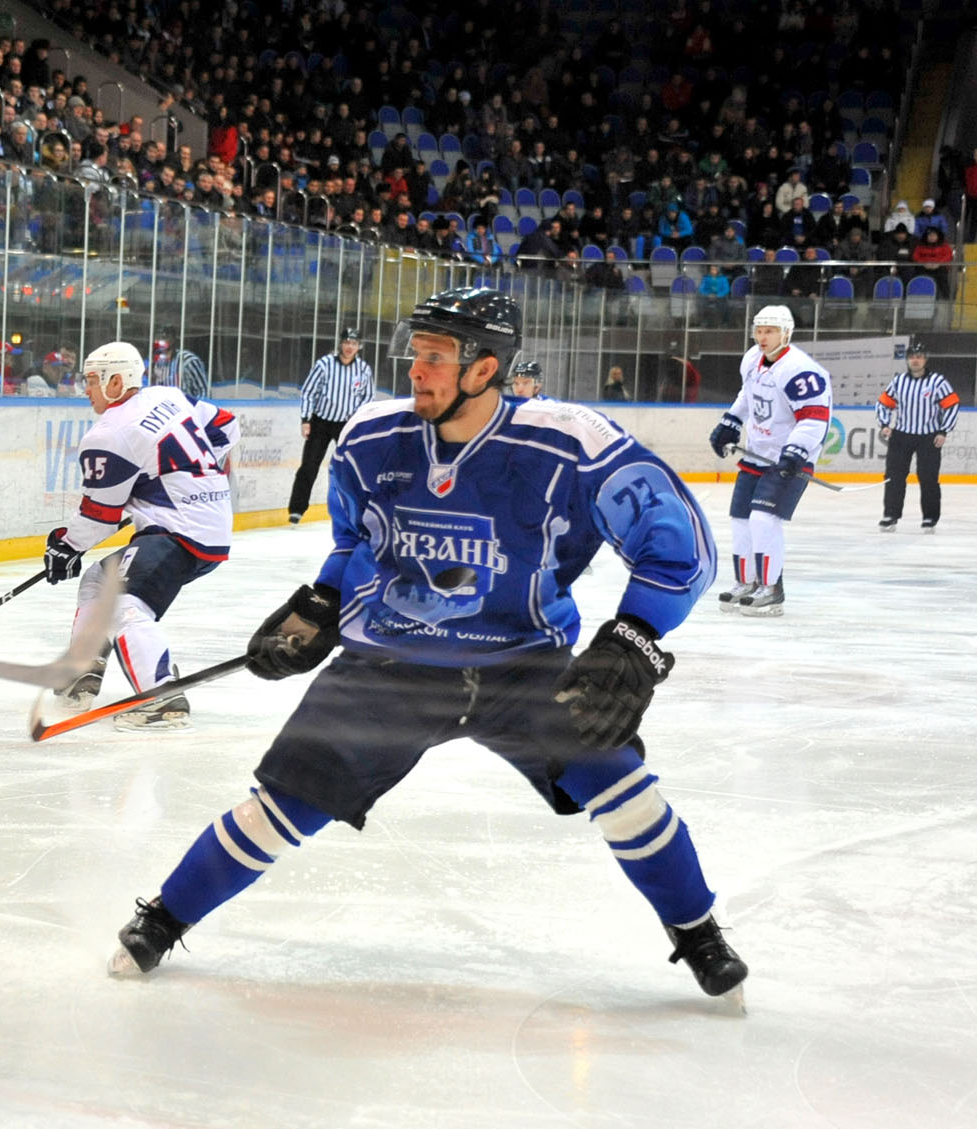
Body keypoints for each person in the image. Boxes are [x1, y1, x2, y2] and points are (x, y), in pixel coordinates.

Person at [107, 287, 747, 1006]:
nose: (417, 369)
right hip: (390, 664)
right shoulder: (370, 440)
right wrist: (320, 603)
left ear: (485, 368)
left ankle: (699, 933)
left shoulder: (572, 445)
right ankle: (163, 917)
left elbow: (680, 548)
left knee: (625, 793)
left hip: (523, 663)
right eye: (416, 353)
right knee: (276, 807)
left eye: (438, 357)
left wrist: (634, 637)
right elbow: (356, 545)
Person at [43, 341, 239, 730]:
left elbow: (99, 516)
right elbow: (226, 424)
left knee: (124, 605)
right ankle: (82, 668)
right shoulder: (168, 396)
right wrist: (188, 480)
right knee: (99, 581)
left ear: (117, 381)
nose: (87, 389)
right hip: (207, 520)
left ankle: (161, 696)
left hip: (178, 530)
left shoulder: (110, 432)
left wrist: (66, 545)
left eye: (92, 380)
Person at [708, 304, 833, 616]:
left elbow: (816, 418)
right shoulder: (752, 359)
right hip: (758, 454)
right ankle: (746, 582)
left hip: (789, 458)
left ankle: (771, 588)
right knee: (740, 519)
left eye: (770, 331)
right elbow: (747, 395)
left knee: (764, 519)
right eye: (759, 331)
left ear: (786, 334)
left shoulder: (801, 371)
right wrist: (731, 422)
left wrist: (795, 450)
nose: (762, 337)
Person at [287, 327, 373, 524]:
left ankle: (357, 508)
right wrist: (305, 419)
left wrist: (358, 421)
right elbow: (309, 391)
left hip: (347, 424)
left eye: (354, 343)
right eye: (347, 342)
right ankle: (297, 509)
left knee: (353, 467)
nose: (350, 347)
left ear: (359, 346)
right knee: (309, 466)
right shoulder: (324, 364)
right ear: (340, 343)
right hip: (321, 422)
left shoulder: (363, 369)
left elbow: (367, 397)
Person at [876, 341, 960, 532]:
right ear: (907, 359)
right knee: (894, 477)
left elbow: (952, 405)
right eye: (912, 357)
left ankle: (930, 517)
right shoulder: (899, 382)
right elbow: (883, 403)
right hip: (901, 436)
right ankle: (891, 515)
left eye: (919, 357)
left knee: (929, 478)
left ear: (925, 360)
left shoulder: (937, 382)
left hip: (928, 437)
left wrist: (943, 430)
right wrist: (884, 424)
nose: (916, 360)